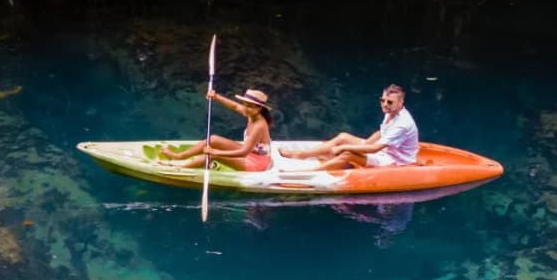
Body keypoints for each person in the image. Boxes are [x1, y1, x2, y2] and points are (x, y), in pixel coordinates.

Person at [281, 84, 418, 170]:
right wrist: (365, 143)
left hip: (394, 161)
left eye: (389, 102)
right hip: (384, 151)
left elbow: (375, 148)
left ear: (401, 102)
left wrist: (344, 147)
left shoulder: (402, 123)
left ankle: (311, 173)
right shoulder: (391, 112)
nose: (384, 104)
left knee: (347, 154)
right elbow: (381, 132)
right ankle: (300, 155)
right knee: (343, 137)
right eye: (382, 100)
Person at [161, 88, 273, 171]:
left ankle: (180, 167)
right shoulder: (251, 114)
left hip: (257, 164)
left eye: (249, 106)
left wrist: (215, 152)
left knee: (214, 155)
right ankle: (179, 156)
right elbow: (234, 106)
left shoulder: (260, 126)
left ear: (259, 108)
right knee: (213, 139)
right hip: (251, 154)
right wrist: (216, 96)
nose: (245, 108)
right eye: (245, 104)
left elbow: (243, 153)